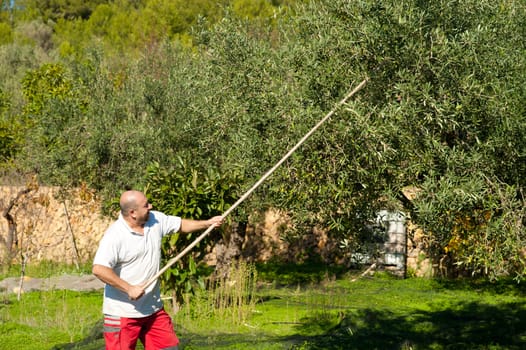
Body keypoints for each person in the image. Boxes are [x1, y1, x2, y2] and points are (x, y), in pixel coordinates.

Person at [93, 190, 224, 350]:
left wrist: (207, 223)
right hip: (123, 313)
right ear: (133, 213)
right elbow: (99, 269)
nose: (150, 206)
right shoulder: (115, 236)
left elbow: (181, 224)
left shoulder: (155, 219)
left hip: (152, 309)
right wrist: (129, 288)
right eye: (145, 205)